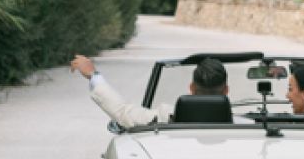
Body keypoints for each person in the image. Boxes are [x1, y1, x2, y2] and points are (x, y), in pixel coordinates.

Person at [69, 51, 232, 128]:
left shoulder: (164, 118)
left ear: (191, 88)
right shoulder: (248, 126)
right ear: (226, 91)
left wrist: (93, 74)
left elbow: (123, 111)